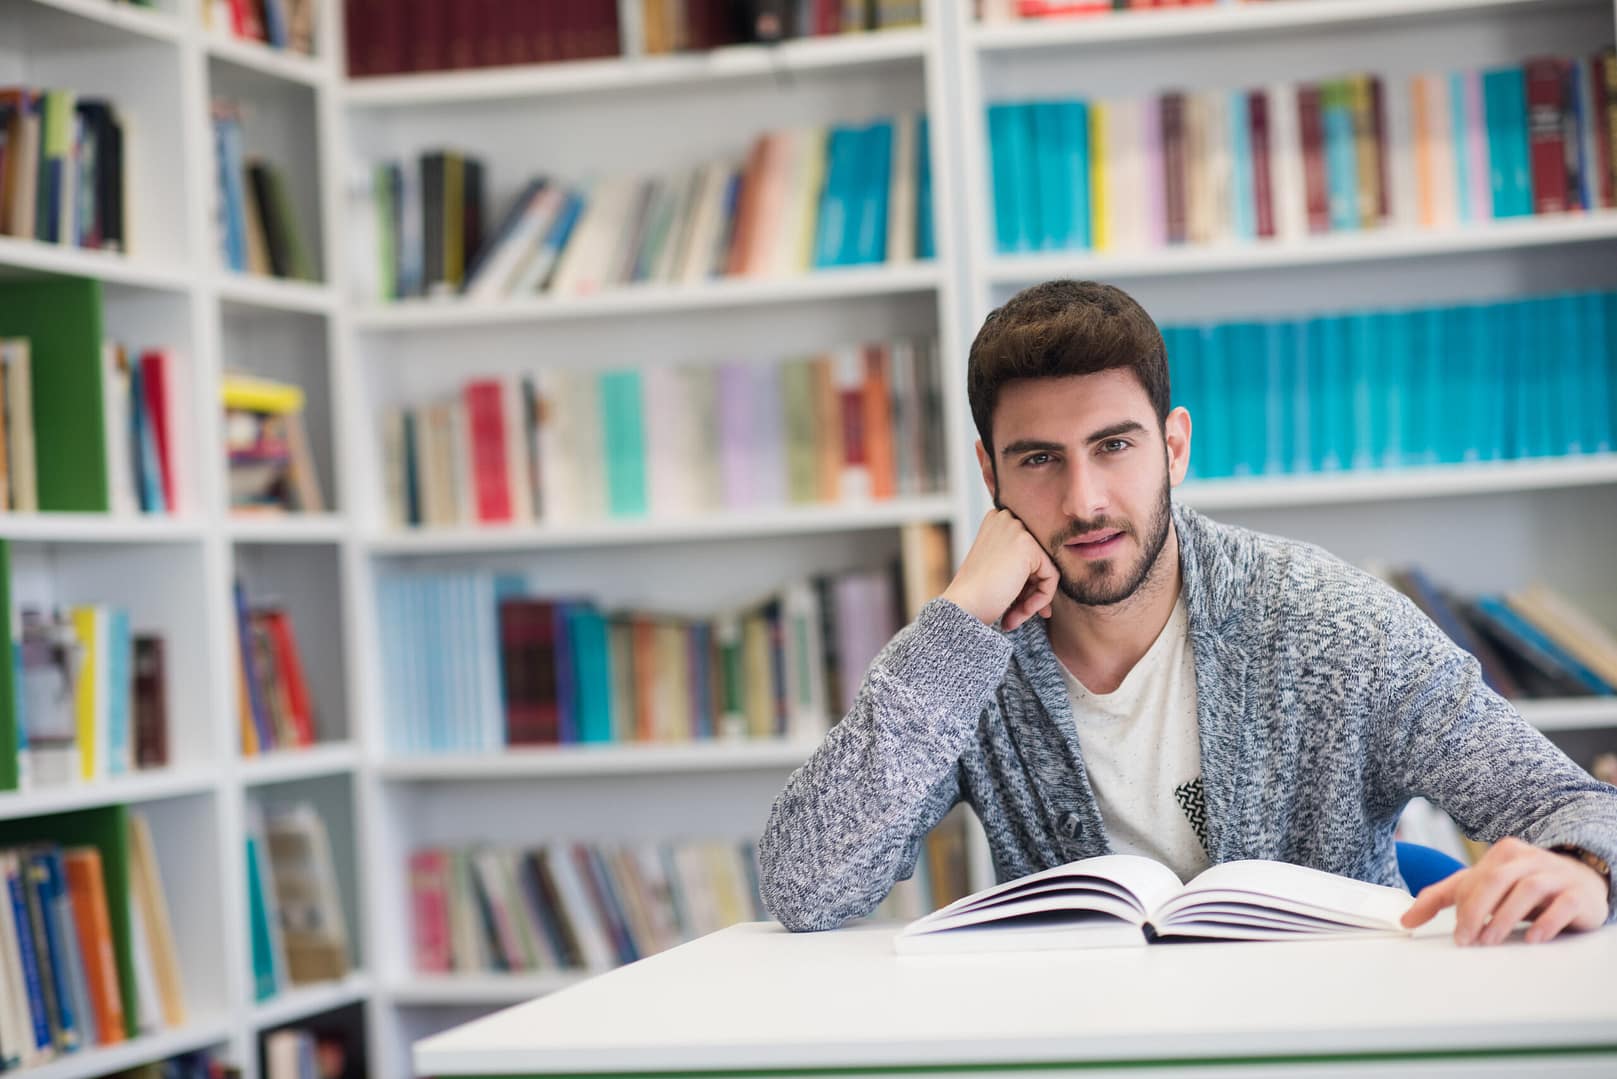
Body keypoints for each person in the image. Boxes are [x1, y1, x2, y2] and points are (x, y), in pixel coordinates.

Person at [757, 279, 1617, 946]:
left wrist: (1582, 868)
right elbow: (805, 885)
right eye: (1038, 460)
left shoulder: (1328, 622)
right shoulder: (971, 657)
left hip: (1324, 1044)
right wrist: (955, 623)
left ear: (1174, 446)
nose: (1083, 499)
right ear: (990, 475)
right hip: (1097, 1053)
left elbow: (1576, 806)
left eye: (1114, 446)